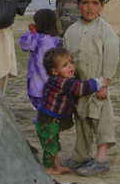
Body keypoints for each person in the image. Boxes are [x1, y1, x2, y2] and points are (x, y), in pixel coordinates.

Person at [62, 0, 120, 176]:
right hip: (79, 87)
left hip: (99, 86)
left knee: (102, 120)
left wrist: (105, 84)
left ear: (102, 5)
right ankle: (81, 155)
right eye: (85, 2)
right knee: (82, 119)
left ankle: (101, 158)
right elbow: (67, 58)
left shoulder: (106, 31)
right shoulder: (71, 31)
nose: (90, 7)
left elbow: (112, 58)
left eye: (95, 3)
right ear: (77, 4)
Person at [37, 47, 109, 175]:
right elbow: (81, 88)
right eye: (64, 65)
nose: (70, 67)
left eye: (71, 62)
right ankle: (47, 168)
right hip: (47, 121)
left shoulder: (57, 80)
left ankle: (57, 166)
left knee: (54, 144)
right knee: (50, 146)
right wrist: (99, 82)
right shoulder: (63, 83)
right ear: (54, 71)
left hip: (51, 121)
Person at [19, 9, 60, 110]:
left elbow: (24, 45)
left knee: (40, 106)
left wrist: (30, 32)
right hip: (51, 82)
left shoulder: (37, 38)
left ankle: (42, 121)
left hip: (38, 82)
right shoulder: (54, 39)